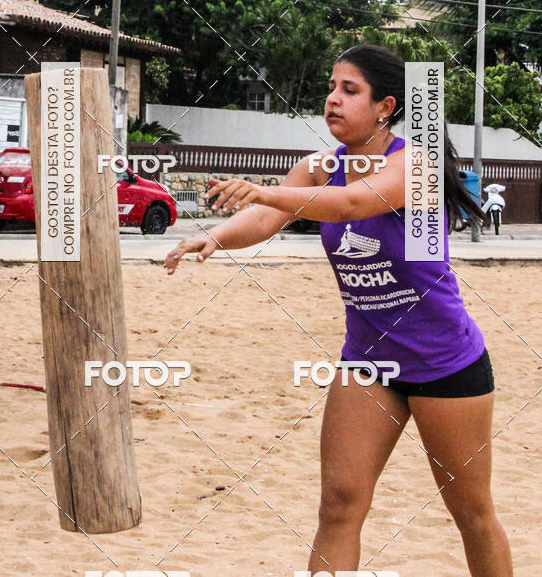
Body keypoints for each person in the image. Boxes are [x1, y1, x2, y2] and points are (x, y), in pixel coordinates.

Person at [163, 44, 513, 576]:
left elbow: (353, 202)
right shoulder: (321, 167)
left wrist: (264, 191)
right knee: (339, 504)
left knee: (472, 513)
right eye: (331, 88)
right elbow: (264, 220)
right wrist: (214, 236)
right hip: (368, 362)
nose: (333, 99)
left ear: (385, 107)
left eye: (350, 90)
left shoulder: (413, 163)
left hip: (445, 361)